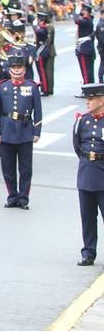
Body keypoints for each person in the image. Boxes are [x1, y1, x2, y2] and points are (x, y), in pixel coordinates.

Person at [0, 55, 42, 209]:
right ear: (9, 69)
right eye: (14, 68)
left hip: (25, 131)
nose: (17, 70)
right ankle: (12, 196)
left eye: (19, 68)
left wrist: (37, 131)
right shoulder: (2, 87)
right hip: (6, 131)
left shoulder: (32, 87)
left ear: (24, 69)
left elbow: (38, 112)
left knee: (26, 169)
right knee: (8, 167)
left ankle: (23, 197)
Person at [72, 83, 104, 267]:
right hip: (86, 174)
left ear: (101, 100)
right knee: (87, 216)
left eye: (91, 99)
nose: (88, 102)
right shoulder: (82, 121)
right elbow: (78, 146)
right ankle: (88, 252)